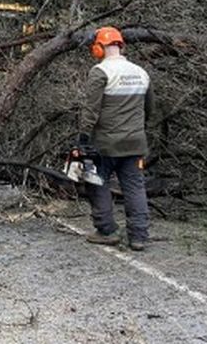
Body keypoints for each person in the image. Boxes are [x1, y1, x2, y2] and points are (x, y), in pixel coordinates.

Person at [76, 26, 153, 251]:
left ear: (99, 48)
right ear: (120, 45)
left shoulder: (101, 72)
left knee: (96, 181)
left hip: (105, 143)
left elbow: (91, 110)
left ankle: (107, 229)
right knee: (135, 187)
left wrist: (83, 138)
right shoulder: (141, 73)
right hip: (135, 142)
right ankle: (138, 236)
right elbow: (150, 108)